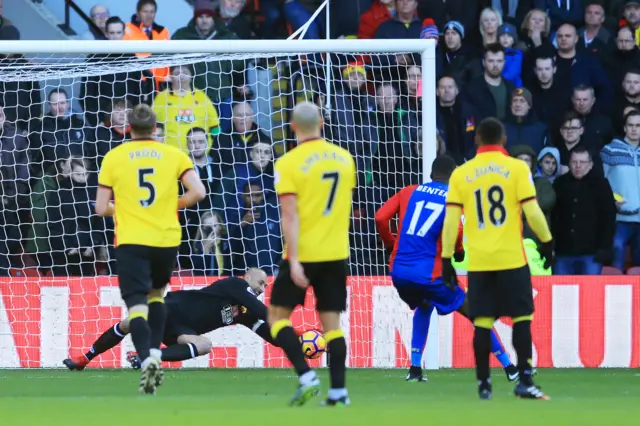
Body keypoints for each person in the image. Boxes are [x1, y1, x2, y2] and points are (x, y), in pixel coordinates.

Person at [95, 104, 206, 394]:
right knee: (157, 296)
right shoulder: (174, 154)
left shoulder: (114, 157)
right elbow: (198, 192)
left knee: (136, 306)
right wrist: (170, 205)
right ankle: (155, 354)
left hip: (132, 240)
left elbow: (99, 207)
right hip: (166, 239)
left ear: (128, 128)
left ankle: (146, 359)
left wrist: (126, 209)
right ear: (155, 127)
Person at [375, 159, 519, 383]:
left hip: (399, 272)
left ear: (431, 173)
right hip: (430, 274)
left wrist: (390, 244)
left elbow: (380, 217)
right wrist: (459, 252)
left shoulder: (408, 191)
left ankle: (414, 369)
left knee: (424, 304)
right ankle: (510, 367)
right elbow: (456, 231)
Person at [441, 118, 554, 400]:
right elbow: (533, 211)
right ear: (503, 140)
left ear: (477, 139)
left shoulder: (461, 174)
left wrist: (446, 259)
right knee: (522, 319)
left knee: (482, 323)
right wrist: (547, 241)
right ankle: (525, 381)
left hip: (479, 263)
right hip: (512, 259)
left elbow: (451, 220)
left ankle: (483, 385)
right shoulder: (517, 169)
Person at [268, 102, 356, 406]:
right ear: (321, 121)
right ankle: (339, 392)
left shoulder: (289, 163)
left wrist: (293, 259)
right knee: (332, 325)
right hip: (335, 253)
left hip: (303, 253)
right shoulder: (345, 160)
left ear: (292, 126)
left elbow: (289, 216)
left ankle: (306, 376)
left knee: (277, 317)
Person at [63, 269, 275, 370]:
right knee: (129, 322)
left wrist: (294, 340)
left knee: (204, 345)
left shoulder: (244, 310)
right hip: (174, 308)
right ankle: (85, 358)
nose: (262, 288)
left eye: (266, 286)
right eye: (261, 282)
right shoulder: (236, 285)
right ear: (247, 276)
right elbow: (264, 312)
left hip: (181, 331)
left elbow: (267, 331)